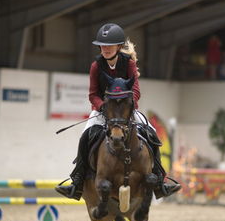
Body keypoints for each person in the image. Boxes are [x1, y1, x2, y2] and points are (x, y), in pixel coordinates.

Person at [56, 23, 181, 200]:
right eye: (102, 45)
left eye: (109, 45)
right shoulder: (96, 66)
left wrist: (127, 106)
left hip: (125, 112)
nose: (105, 49)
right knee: (85, 137)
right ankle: (76, 182)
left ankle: (160, 181)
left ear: (118, 46)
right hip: (103, 112)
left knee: (152, 134)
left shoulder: (128, 63)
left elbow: (136, 90)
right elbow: (93, 94)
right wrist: (104, 108)